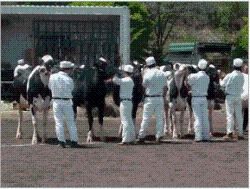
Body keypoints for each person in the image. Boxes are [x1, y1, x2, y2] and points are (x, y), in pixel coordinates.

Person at [137, 56, 168, 143]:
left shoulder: (147, 74)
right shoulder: (162, 73)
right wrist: (164, 96)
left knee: (146, 118)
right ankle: (159, 136)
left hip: (149, 98)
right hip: (159, 98)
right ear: (155, 64)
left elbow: (143, 86)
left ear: (147, 65)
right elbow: (165, 88)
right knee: (159, 118)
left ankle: (142, 136)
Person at [48, 61, 79, 148]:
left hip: (56, 101)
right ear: (68, 69)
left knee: (58, 121)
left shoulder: (52, 77)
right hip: (67, 101)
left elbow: (50, 87)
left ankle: (61, 141)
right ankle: (74, 140)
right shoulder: (69, 79)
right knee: (70, 122)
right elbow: (71, 89)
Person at [106, 65, 136, 145]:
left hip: (124, 102)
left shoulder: (126, 80)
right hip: (128, 102)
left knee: (125, 121)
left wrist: (115, 72)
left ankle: (126, 139)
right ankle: (132, 138)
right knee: (129, 121)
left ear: (126, 73)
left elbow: (116, 80)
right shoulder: (130, 80)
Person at [220, 58, 244, 140]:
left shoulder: (230, 75)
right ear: (241, 66)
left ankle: (230, 132)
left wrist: (220, 79)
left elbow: (222, 84)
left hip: (230, 96)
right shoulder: (242, 76)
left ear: (233, 66)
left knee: (230, 115)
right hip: (238, 96)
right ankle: (240, 133)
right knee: (239, 115)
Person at [187, 59, 210, 142]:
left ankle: (198, 136)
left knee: (197, 117)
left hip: (196, 98)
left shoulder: (194, 76)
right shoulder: (207, 77)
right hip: (204, 98)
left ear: (198, 67)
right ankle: (206, 136)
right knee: (204, 117)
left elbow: (188, 83)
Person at [241, 63, 248, 132]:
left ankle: (242, 127)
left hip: (243, 95)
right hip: (243, 95)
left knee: (245, 112)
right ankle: (242, 126)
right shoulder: (242, 76)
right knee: (242, 112)